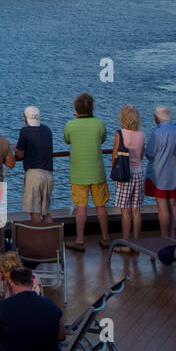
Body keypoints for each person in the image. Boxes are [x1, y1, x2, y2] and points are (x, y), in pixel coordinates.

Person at [63, 92, 110, 250]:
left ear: (76, 110)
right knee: (101, 206)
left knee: (81, 208)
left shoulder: (71, 124)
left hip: (78, 173)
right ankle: (105, 237)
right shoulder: (99, 124)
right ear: (92, 108)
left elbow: (67, 139)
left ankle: (80, 240)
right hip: (97, 171)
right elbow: (102, 139)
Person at [144, 106, 176, 238]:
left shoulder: (157, 133)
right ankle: (172, 235)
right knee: (172, 204)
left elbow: (149, 153)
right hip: (174, 174)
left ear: (157, 117)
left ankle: (164, 236)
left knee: (162, 206)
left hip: (159, 174)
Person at [112, 105, 147, 247]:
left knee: (125, 210)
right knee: (136, 210)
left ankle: (126, 243)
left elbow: (115, 155)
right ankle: (137, 242)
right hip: (139, 172)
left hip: (125, 174)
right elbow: (142, 155)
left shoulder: (120, 133)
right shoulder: (142, 134)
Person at [14, 106, 54, 223]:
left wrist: (15, 148)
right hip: (49, 174)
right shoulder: (47, 130)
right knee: (45, 211)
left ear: (26, 118)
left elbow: (20, 154)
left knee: (34, 211)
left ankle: (40, 238)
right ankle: (53, 239)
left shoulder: (25, 131)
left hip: (34, 175)